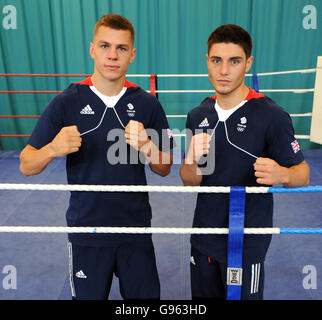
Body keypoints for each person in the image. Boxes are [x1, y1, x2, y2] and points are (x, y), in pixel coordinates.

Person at [19, 14, 174, 300]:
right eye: (105, 46)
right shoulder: (67, 101)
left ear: (132, 55)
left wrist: (148, 146)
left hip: (135, 231)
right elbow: (27, 165)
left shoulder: (147, 104)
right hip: (86, 232)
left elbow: (164, 167)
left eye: (121, 48)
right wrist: (52, 148)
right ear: (92, 49)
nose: (112, 55)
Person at [179, 24, 310, 300]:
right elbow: (190, 180)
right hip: (203, 238)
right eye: (217, 60)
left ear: (248, 64)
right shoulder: (197, 115)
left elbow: (303, 174)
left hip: (246, 242)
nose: (224, 71)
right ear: (207, 61)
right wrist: (190, 162)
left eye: (234, 61)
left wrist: (282, 174)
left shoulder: (271, 116)